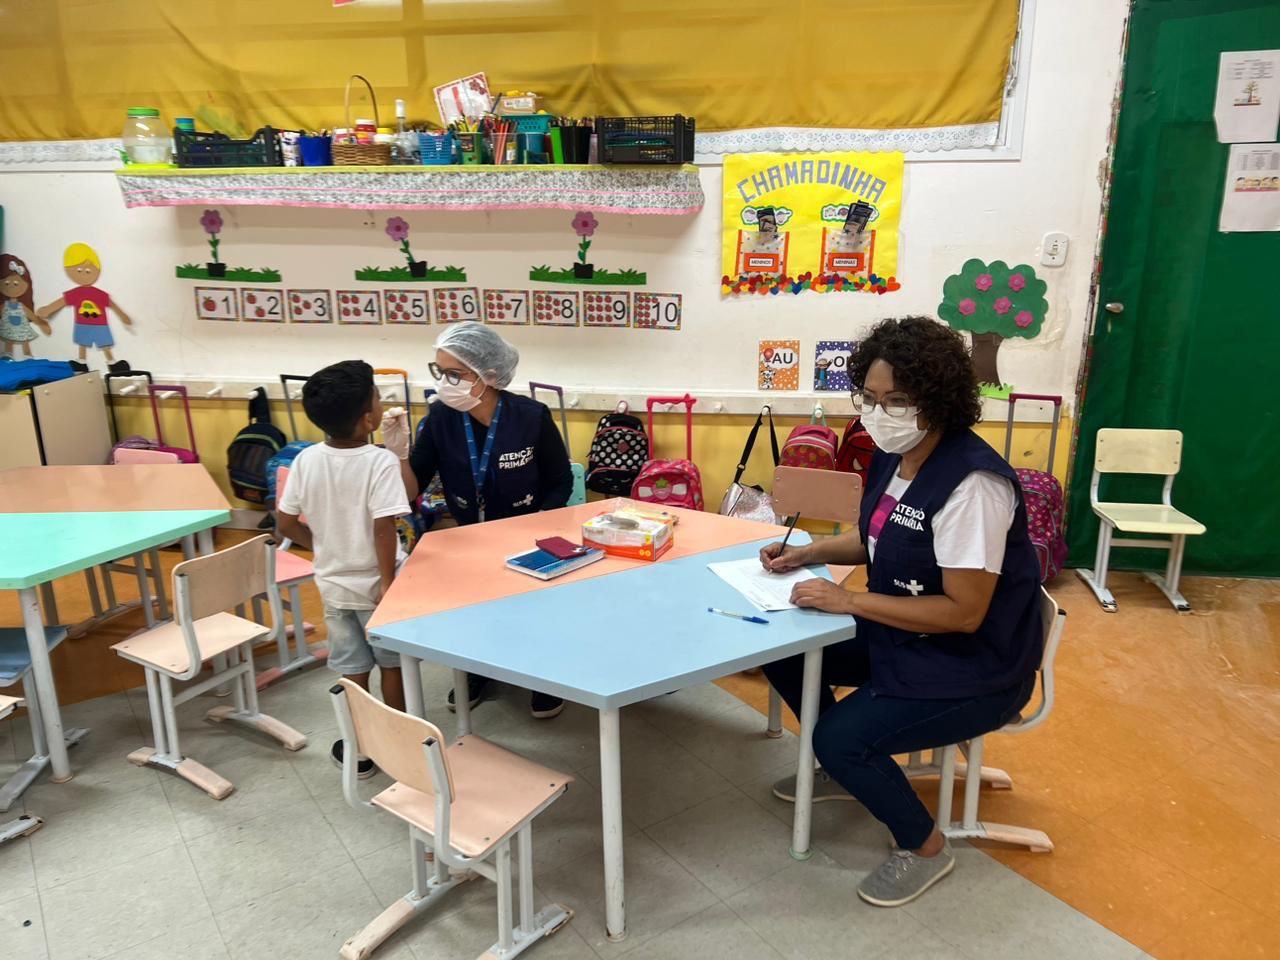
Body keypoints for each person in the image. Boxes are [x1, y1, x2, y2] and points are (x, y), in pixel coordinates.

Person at [760, 316, 1042, 908]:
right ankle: (850, 764)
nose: (877, 412)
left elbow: (965, 613)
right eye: (869, 397)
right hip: (906, 630)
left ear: (937, 399)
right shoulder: (895, 457)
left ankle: (925, 846)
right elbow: (875, 538)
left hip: (973, 664)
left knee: (838, 738)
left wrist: (849, 600)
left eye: (897, 400)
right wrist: (805, 552)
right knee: (784, 649)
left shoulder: (973, 485)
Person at [380, 322, 574, 719]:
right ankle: (477, 671)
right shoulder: (441, 419)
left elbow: (560, 479)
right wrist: (398, 454)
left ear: (487, 376)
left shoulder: (530, 416)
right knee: (475, 611)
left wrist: (539, 524)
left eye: (454, 374)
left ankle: (543, 676)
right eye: (439, 373)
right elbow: (409, 491)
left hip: (527, 533)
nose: (444, 383)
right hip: (470, 534)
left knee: (532, 611)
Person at [277, 360, 410, 779]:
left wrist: (322, 547)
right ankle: (401, 743)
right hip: (377, 587)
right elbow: (384, 527)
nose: (381, 401)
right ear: (368, 419)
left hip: (334, 585)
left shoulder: (306, 460)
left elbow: (284, 522)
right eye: (377, 396)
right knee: (392, 665)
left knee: (352, 669)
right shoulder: (379, 462)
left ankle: (360, 749)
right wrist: (388, 583)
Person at [35, 243, 133, 373]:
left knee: (104, 344)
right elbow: (62, 302)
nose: (83, 274)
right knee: (83, 343)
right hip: (82, 323)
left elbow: (112, 305)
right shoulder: (76, 293)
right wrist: (47, 310)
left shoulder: (99, 294)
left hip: (100, 324)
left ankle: (112, 363)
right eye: (78, 270)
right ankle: (82, 362)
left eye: (87, 271)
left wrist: (123, 316)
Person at [0, 255, 50, 357]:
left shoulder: (21, 306)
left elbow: (32, 316)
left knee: (25, 346)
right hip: (9, 330)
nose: (11, 287)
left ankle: (28, 356)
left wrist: (42, 324)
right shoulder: (3, 306)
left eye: (15, 283)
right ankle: (8, 355)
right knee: (8, 344)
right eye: (6, 283)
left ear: (26, 285)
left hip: (22, 330)